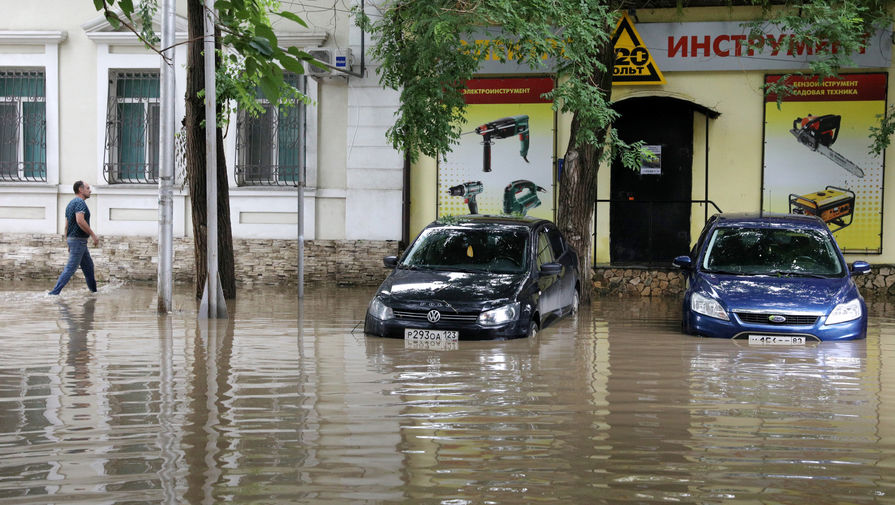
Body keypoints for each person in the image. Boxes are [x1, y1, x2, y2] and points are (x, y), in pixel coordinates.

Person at [49, 181, 100, 295]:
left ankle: (94, 292)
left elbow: (66, 226)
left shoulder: (70, 204)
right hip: (78, 241)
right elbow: (80, 220)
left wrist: (68, 242)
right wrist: (93, 234)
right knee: (71, 268)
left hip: (75, 240)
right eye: (88, 188)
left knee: (89, 267)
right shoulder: (80, 203)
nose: (90, 190)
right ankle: (54, 293)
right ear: (80, 190)